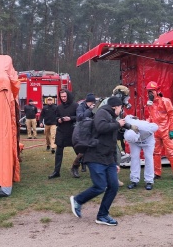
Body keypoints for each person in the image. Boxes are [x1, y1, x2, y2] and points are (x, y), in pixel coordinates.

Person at [70, 96, 125, 226]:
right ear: (115, 107)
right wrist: (118, 124)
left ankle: (102, 215)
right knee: (100, 186)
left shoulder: (111, 116)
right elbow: (100, 127)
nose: (121, 110)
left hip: (107, 158)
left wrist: (115, 163)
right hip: (95, 156)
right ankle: (77, 200)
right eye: (120, 107)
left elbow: (111, 142)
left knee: (113, 186)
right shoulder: (102, 112)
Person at [145, 81, 173, 180]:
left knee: (170, 152)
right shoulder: (150, 104)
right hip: (156, 132)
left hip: (166, 131)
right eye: (148, 91)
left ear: (157, 91)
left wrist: (172, 129)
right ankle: (157, 173)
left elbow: (172, 115)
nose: (149, 94)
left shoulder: (166, 101)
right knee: (156, 153)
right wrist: (145, 124)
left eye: (151, 91)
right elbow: (151, 117)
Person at [48, 89, 78, 179]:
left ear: (68, 96)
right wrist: (59, 120)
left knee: (79, 151)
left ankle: (76, 167)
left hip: (72, 131)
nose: (63, 98)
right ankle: (56, 171)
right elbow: (56, 118)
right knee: (58, 153)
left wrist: (71, 118)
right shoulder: (59, 107)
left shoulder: (75, 105)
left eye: (65, 96)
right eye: (62, 97)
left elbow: (80, 117)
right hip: (61, 131)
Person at [124, 115, 158, 190]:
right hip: (135, 142)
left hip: (148, 140)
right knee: (134, 158)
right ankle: (134, 180)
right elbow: (127, 117)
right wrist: (132, 116)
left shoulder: (145, 127)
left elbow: (156, 126)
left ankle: (149, 181)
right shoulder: (129, 127)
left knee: (148, 158)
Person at [71, 93, 96, 178]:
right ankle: (75, 166)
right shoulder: (80, 107)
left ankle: (92, 169)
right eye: (90, 102)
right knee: (82, 151)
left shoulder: (94, 107)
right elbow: (80, 117)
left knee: (92, 150)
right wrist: (89, 110)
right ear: (87, 101)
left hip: (90, 130)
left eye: (93, 102)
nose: (92, 104)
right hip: (81, 131)